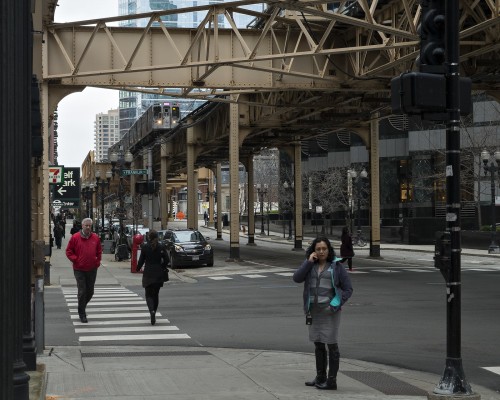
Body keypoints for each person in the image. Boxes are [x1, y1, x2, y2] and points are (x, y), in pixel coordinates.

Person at [293, 237, 353, 391]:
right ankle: (320, 377)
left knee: (331, 344)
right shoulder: (310, 265)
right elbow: (297, 278)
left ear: (329, 250)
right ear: (314, 250)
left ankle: (332, 381)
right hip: (313, 311)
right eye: (318, 249)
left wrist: (336, 304)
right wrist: (308, 262)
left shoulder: (336, 266)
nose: (321, 252)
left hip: (330, 311)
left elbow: (348, 289)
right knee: (318, 343)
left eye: (324, 249)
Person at [65, 218, 102, 323]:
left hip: (92, 268)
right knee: (82, 291)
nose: (88, 227)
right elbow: (68, 251)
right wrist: (76, 260)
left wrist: (97, 261)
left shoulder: (95, 237)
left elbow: (99, 251)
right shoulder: (75, 237)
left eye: (89, 225)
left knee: (90, 292)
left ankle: (82, 306)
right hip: (79, 269)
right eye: (86, 225)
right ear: (82, 226)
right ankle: (82, 313)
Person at [136, 230, 169, 325]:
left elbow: (141, 260)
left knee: (148, 295)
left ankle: (152, 311)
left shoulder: (145, 247)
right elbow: (166, 260)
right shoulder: (161, 246)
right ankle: (154, 310)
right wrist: (162, 267)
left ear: (148, 237)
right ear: (157, 237)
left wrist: (137, 269)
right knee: (156, 294)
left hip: (148, 274)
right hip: (158, 273)